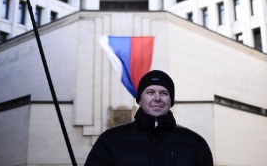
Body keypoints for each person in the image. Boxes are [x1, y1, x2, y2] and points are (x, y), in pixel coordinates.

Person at [84, 69, 214, 165]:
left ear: (171, 100)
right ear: (140, 100)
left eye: (164, 93)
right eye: (150, 92)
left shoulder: (195, 143)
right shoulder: (110, 140)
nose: (157, 98)